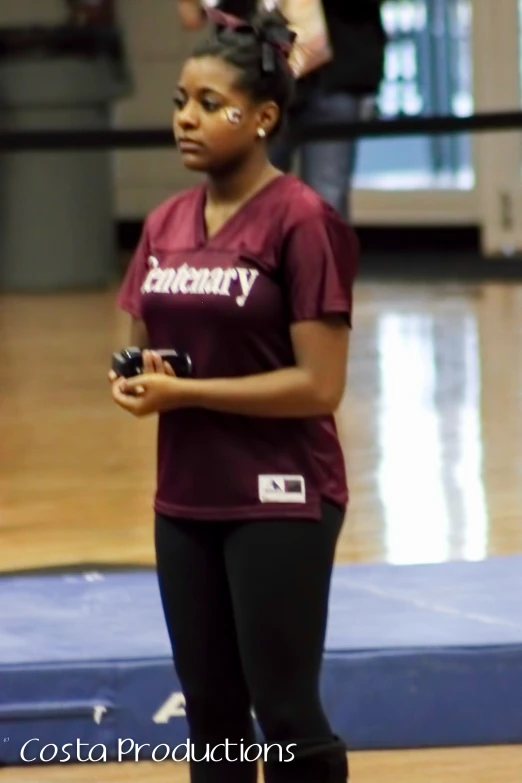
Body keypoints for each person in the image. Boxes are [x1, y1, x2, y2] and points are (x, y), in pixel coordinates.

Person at [109, 7, 358, 783]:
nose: (187, 119)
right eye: (182, 100)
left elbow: (320, 384)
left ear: (264, 118)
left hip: (280, 494)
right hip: (185, 495)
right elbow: (166, 341)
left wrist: (187, 393)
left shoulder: (304, 221)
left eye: (211, 105)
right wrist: (143, 377)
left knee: (284, 711)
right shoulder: (164, 223)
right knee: (211, 715)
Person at [269, 0, 386, 221]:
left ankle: (323, 255)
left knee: (327, 197)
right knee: (254, 197)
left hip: (338, 68)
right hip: (263, 71)